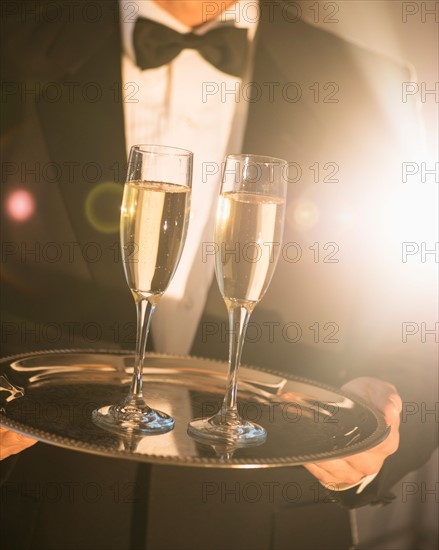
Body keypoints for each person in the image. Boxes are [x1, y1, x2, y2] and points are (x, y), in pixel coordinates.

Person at [0, 1, 437, 549]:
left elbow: (420, 338)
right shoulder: (11, 50)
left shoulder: (365, 85)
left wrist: (378, 435)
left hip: (273, 528)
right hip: (41, 520)